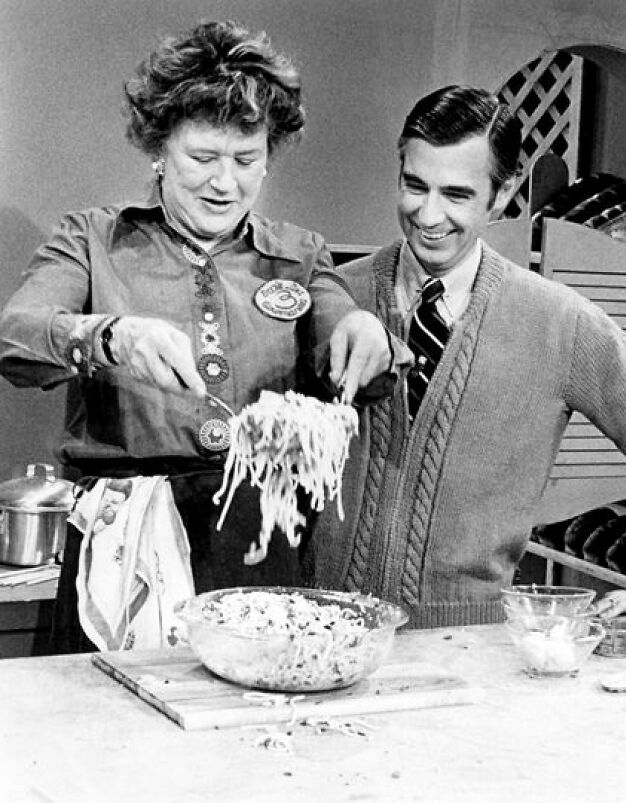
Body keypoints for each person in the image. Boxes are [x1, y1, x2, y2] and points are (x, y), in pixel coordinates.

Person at [0, 20, 406, 652]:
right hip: (123, 539)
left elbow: (344, 338)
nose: (225, 183)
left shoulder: (298, 255)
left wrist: (365, 334)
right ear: (159, 148)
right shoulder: (93, 238)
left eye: (247, 160)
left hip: (259, 537)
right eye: (203, 158)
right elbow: (16, 339)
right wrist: (111, 338)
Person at [310, 85, 626, 627]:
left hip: (468, 651)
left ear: (502, 192)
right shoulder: (335, 297)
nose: (428, 214)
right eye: (414, 185)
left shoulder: (557, 320)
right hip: (319, 630)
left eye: (457, 194)